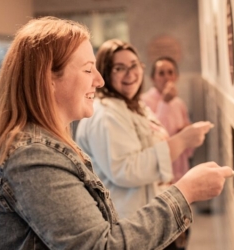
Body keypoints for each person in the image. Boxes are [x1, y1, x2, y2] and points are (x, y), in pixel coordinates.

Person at [0, 17, 234, 250]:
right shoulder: (33, 157)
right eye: (88, 70)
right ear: (48, 78)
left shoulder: (45, 145)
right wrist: (186, 192)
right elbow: (99, 245)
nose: (99, 81)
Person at [75, 39, 215, 250]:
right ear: (105, 72)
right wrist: (182, 140)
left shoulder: (134, 105)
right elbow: (126, 169)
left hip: (150, 219)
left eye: (133, 65)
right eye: (119, 68)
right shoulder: (105, 114)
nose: (130, 74)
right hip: (129, 226)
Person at [142, 56, 193, 183]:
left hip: (179, 169)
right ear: (153, 78)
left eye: (170, 72)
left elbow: (188, 146)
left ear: (176, 77)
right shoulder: (144, 101)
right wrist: (164, 103)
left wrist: (187, 132)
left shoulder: (179, 103)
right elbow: (151, 136)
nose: (167, 77)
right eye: (161, 73)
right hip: (158, 170)